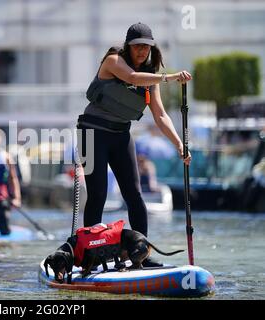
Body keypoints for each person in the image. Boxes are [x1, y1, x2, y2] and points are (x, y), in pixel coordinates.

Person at [77, 22, 192, 267]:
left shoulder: (151, 77)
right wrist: (170, 77)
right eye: (137, 46)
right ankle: (90, 256)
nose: (142, 51)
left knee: (135, 195)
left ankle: (141, 255)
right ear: (128, 47)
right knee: (97, 195)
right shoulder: (113, 61)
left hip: (121, 135)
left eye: (146, 47)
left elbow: (160, 115)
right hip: (91, 133)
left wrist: (179, 144)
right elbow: (131, 77)